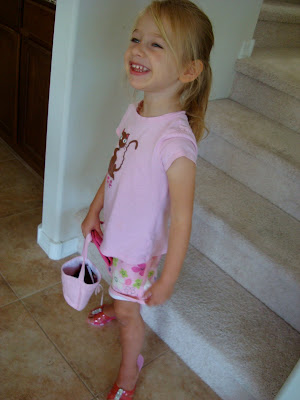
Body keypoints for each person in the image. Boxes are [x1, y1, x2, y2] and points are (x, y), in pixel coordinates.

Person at [81, 0, 214, 398]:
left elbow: (182, 220)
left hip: (139, 247)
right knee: (115, 279)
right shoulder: (136, 111)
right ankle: (119, 301)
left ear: (189, 70)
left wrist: (168, 278)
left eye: (157, 45)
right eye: (136, 38)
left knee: (129, 312)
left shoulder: (176, 142)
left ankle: (129, 374)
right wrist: (94, 210)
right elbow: (115, 167)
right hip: (118, 228)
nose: (138, 49)